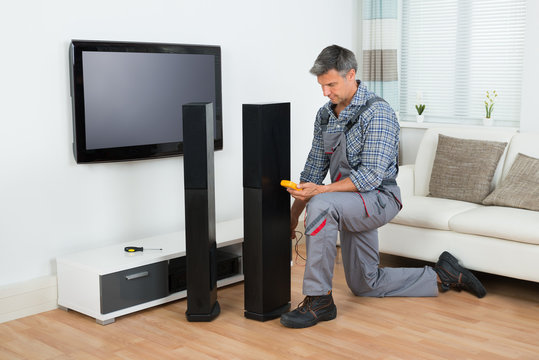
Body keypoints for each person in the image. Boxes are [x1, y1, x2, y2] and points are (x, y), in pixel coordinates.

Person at [279, 45, 486, 329]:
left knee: (321, 206)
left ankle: (320, 300)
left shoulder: (378, 113)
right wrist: (293, 215)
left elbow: (370, 178)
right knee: (365, 284)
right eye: (321, 86)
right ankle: (443, 275)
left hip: (378, 199)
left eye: (331, 84)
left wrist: (321, 193)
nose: (325, 92)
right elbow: (313, 173)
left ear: (351, 75)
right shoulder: (325, 116)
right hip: (346, 201)